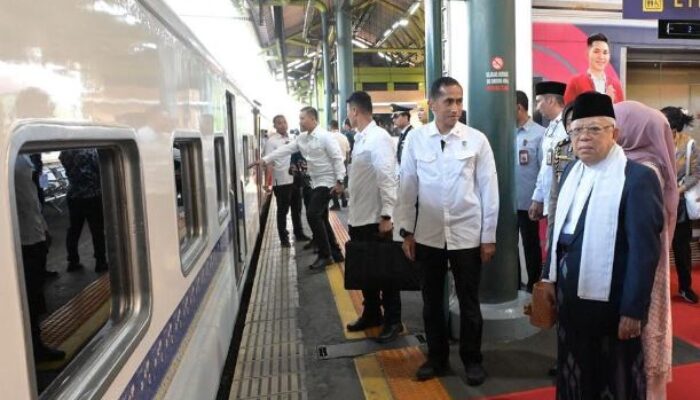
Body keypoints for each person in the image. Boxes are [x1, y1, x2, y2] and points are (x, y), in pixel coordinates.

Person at [542, 92, 663, 399]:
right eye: (576, 131)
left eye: (594, 129)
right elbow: (558, 234)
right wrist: (547, 278)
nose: (583, 138)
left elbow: (644, 252)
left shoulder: (637, 178)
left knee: (614, 378)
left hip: (611, 306)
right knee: (574, 372)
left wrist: (633, 310)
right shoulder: (571, 171)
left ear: (615, 133)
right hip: (571, 302)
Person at [397, 77, 498, 385]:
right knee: (431, 303)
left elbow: (489, 189)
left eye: (459, 101)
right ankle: (437, 358)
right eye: (448, 102)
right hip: (428, 236)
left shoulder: (476, 139)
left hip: (467, 235)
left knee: (469, 303)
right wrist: (406, 232)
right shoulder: (416, 140)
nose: (455, 108)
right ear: (432, 104)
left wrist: (488, 236)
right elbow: (406, 186)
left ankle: (472, 360)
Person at [616, 100, 678, 400]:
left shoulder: (642, 170)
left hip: (641, 266)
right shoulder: (647, 162)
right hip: (650, 261)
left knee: (643, 327)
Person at [344, 91, 402, 343]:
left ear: (355, 111)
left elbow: (387, 177)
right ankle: (371, 314)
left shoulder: (378, 138)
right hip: (359, 216)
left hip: (374, 219)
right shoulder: (361, 138)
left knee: (385, 272)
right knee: (367, 271)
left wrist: (387, 215)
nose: (348, 115)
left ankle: (393, 320)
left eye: (349, 111)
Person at [258, 107, 346, 269]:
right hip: (314, 182)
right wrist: (265, 160)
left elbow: (337, 158)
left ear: (313, 119)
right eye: (299, 118)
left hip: (327, 182)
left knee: (313, 214)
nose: (300, 121)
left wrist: (340, 181)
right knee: (322, 217)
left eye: (302, 118)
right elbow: (285, 150)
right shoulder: (302, 138)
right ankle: (336, 252)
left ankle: (325, 255)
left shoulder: (325, 137)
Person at [15, 154, 65, 362]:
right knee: (29, 298)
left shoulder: (22, 158)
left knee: (34, 294)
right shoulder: (16, 159)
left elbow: (33, 201)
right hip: (24, 241)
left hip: (33, 237)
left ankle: (34, 343)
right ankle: (33, 348)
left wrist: (43, 228)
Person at [662, 106, 699, 304]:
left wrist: (679, 190)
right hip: (656, 202)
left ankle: (685, 287)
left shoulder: (689, 144)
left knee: (682, 248)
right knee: (654, 248)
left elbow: (695, 173)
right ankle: (653, 291)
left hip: (679, 203)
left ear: (673, 126)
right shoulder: (654, 140)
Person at [263, 115, 309, 247]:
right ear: (275, 126)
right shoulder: (271, 142)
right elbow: (269, 163)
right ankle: (284, 239)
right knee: (283, 210)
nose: (283, 125)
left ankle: (299, 233)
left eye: (284, 122)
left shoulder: (292, 139)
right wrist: (268, 183)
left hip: (295, 179)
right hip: (281, 181)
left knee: (297, 208)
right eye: (279, 123)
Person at [529, 82, 568, 238]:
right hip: (550, 198)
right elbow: (546, 165)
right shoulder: (551, 128)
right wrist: (538, 197)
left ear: (551, 100)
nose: (538, 107)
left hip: (562, 197)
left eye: (539, 101)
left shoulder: (567, 125)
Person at [59, 148, 108, 272]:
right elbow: (100, 168)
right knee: (97, 230)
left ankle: (73, 261)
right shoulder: (90, 151)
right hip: (92, 195)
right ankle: (100, 262)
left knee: (74, 230)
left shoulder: (65, 152)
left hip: (73, 196)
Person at [515, 91, 544, 292]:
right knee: (508, 248)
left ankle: (533, 285)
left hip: (528, 202)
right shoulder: (504, 131)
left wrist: (538, 199)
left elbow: (544, 170)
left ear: (518, 107)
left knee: (530, 245)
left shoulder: (539, 134)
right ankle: (513, 283)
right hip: (505, 202)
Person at [564, 33, 624, 105]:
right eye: (596, 51)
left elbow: (621, 113)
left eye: (605, 53)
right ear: (587, 53)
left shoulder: (615, 85)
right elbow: (569, 112)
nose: (601, 57)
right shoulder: (576, 82)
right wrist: (606, 101)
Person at [329, 119, 350, 210]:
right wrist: (347, 163)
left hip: (333, 163)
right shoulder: (344, 137)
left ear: (330, 127)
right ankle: (344, 200)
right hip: (344, 162)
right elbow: (348, 152)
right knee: (341, 181)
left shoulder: (329, 136)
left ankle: (336, 204)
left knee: (333, 183)